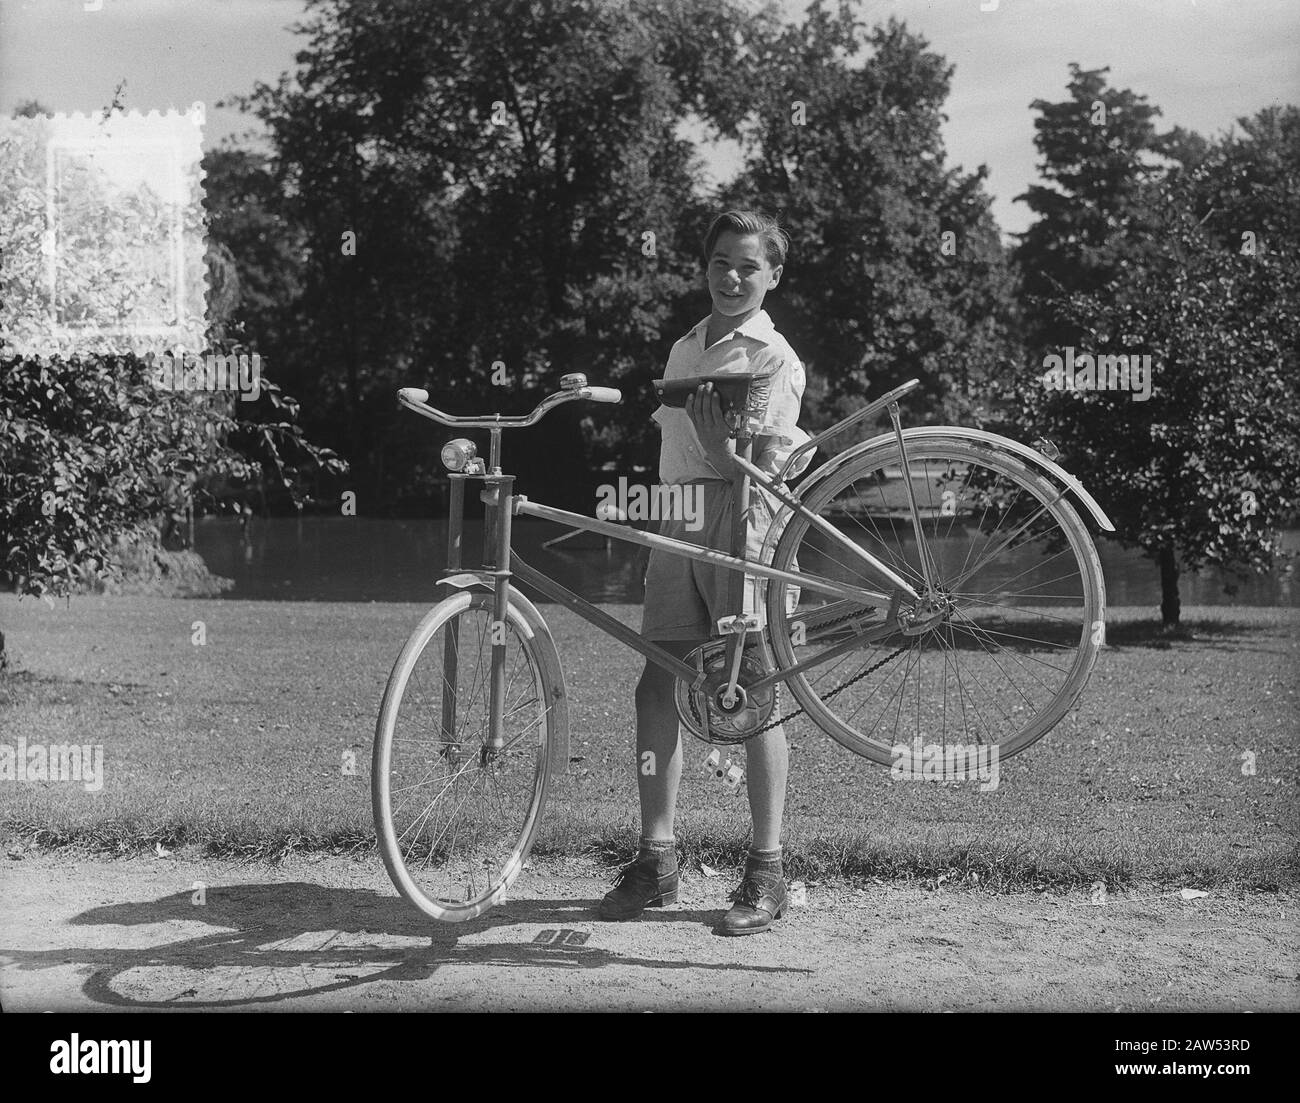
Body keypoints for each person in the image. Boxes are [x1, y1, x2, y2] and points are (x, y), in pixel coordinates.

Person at [598, 210, 809, 935]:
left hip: (746, 517)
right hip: (678, 519)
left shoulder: (773, 355)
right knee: (656, 680)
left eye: (749, 265)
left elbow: (758, 469)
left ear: (773, 275)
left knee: (750, 691)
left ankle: (767, 868)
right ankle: (658, 858)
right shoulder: (686, 346)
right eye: (721, 261)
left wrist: (724, 450)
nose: (731, 276)